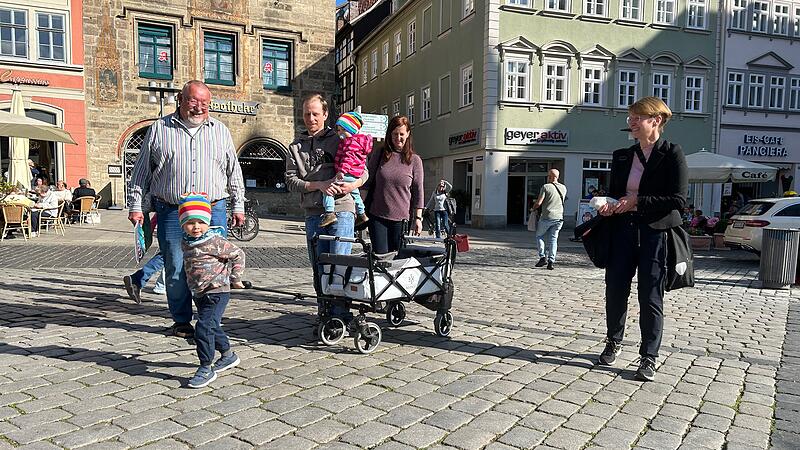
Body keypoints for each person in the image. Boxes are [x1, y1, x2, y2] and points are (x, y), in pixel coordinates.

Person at [127, 80, 246, 338]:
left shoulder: (220, 130)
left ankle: (209, 318)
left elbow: (233, 171)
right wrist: (136, 206)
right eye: (194, 101)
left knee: (213, 266)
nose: (199, 107)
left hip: (213, 209)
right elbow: (141, 172)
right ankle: (182, 321)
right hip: (171, 210)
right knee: (177, 267)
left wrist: (238, 205)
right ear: (181, 99)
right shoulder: (159, 128)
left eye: (204, 103)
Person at [596, 96, 688, 382]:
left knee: (650, 296)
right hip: (622, 232)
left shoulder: (672, 153)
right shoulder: (622, 155)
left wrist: (637, 201)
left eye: (638, 117)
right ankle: (613, 340)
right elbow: (614, 192)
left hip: (655, 234)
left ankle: (649, 356)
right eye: (630, 118)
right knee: (615, 290)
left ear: (656, 120)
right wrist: (607, 204)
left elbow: (678, 200)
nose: (632, 122)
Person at [285, 93, 367, 325]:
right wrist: (318, 185)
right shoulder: (295, 146)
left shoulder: (340, 137)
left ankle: (340, 315)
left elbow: (363, 169)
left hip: (342, 209)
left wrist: (353, 184)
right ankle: (325, 311)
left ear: (325, 115)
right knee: (319, 266)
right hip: (313, 213)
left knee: (340, 263)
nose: (310, 118)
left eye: (315, 114)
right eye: (306, 114)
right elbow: (291, 181)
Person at [178, 193, 245, 388]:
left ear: (208, 221)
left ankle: (206, 367)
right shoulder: (186, 241)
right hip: (199, 292)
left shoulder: (214, 241)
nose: (196, 226)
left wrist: (235, 278)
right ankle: (228, 355)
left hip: (217, 290)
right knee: (212, 325)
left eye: (201, 221)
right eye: (190, 222)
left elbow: (238, 254)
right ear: (182, 224)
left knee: (204, 327)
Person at [364, 115, 424, 254]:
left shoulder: (415, 161)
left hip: (401, 220)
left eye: (402, 134)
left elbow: (418, 191)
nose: (398, 138)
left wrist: (418, 218)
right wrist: (359, 209)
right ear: (389, 135)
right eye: (395, 134)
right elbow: (367, 183)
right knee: (381, 259)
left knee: (398, 260)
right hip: (377, 217)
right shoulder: (379, 154)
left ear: (408, 134)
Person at [320, 111, 372, 228]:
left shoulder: (351, 143)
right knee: (355, 193)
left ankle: (329, 213)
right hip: (355, 174)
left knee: (329, 189)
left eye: (343, 130)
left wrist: (341, 171)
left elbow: (348, 158)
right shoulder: (359, 142)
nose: (340, 134)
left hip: (347, 172)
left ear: (352, 130)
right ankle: (362, 213)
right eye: (338, 130)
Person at [533, 169, 567, 270]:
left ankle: (542, 257)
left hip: (547, 216)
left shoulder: (546, 187)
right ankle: (551, 261)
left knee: (539, 236)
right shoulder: (564, 188)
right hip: (559, 217)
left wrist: (533, 208)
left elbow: (539, 202)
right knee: (553, 239)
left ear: (550, 177)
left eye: (548, 176)